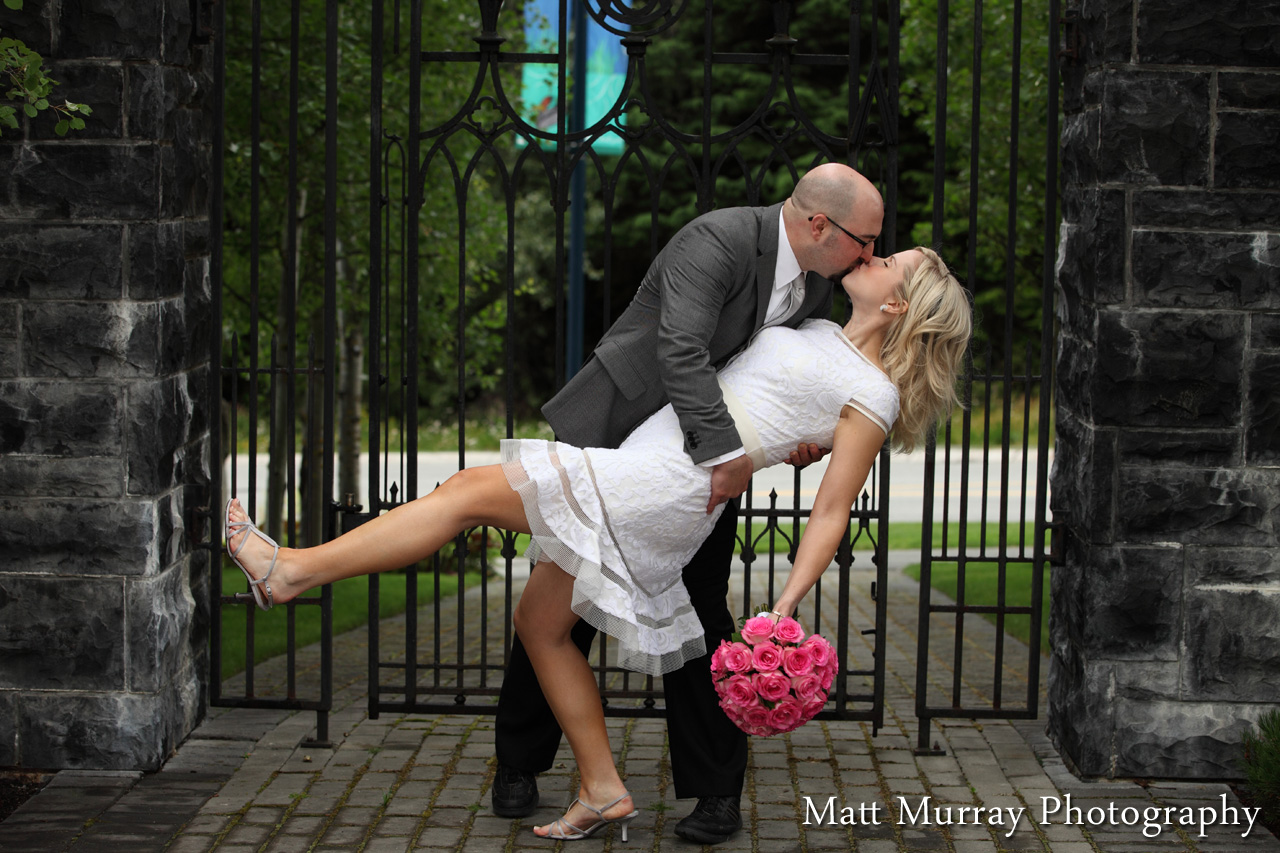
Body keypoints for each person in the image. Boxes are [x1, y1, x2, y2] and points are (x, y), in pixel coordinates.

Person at [223, 244, 972, 843]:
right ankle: (604, 786)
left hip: (663, 486)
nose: (867, 256)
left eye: (885, 261)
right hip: (647, 465)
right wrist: (788, 438)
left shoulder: (871, 392)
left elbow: (833, 510)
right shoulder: (810, 328)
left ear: (898, 302)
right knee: (541, 626)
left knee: (462, 496)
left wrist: (783, 603)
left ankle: (289, 571)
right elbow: (760, 399)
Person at [496, 163, 885, 846]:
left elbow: (780, 381)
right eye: (866, 239)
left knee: (703, 612)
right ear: (821, 223)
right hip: (629, 434)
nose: (870, 254)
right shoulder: (722, 239)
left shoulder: (818, 288)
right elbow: (681, 347)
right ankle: (519, 763)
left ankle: (715, 790)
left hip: (700, 469)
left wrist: (799, 441)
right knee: (566, 599)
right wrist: (725, 452)